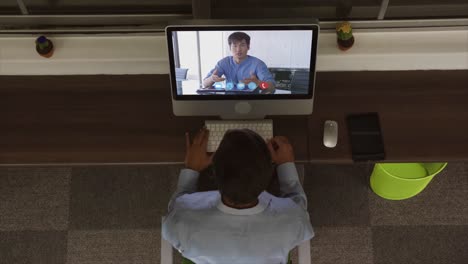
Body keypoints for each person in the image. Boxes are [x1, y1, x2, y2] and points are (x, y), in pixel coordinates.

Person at [162, 127, 314, 264]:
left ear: (213, 173)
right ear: (269, 173)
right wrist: (285, 163)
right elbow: (299, 206)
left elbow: (176, 207)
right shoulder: (293, 222)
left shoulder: (181, 222)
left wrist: (192, 168)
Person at [202, 32, 276, 94]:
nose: (238, 49)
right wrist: (212, 79)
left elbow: (272, 88)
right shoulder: (224, 63)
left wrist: (259, 83)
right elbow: (205, 84)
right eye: (235, 46)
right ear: (230, 47)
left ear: (248, 46)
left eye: (242, 45)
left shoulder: (258, 64)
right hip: (228, 102)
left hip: (252, 102)